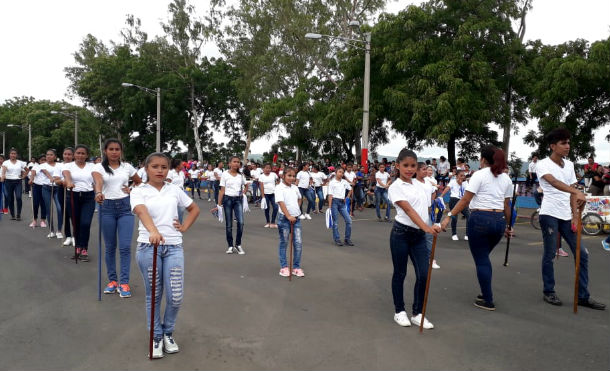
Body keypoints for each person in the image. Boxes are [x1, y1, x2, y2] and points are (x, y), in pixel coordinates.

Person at [131, 152, 200, 358]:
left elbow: (194, 209)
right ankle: (156, 336)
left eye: (164, 167)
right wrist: (153, 230)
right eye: (155, 167)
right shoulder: (139, 191)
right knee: (154, 294)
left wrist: (184, 226)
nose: (160, 170)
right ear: (146, 168)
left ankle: (168, 332)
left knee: (176, 296)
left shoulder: (174, 190)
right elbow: (141, 211)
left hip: (174, 247)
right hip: (148, 247)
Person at [534, 128, 605, 310]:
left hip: (567, 216)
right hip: (549, 213)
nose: (567, 146)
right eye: (563, 143)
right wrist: (576, 191)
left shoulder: (570, 165)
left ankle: (583, 296)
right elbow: (555, 183)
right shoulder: (543, 164)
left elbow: (573, 193)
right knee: (550, 254)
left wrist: (575, 215)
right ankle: (548, 291)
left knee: (583, 254)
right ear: (552, 146)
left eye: (568, 142)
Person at [440, 145, 513, 311]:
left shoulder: (479, 175)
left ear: (483, 160)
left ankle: (488, 299)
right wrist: (509, 226)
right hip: (499, 220)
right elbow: (507, 206)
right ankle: (485, 292)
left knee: (481, 260)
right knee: (484, 257)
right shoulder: (506, 179)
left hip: (480, 218)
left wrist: (448, 217)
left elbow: (465, 200)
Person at [388, 149, 440, 329]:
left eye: (413, 166)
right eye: (405, 166)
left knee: (424, 274)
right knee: (400, 273)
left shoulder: (421, 185)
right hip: (401, 234)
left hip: (418, 236)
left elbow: (425, 208)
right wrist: (426, 228)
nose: (409, 169)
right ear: (398, 166)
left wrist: (432, 224)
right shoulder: (395, 187)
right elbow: (409, 211)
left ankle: (418, 313)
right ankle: (399, 311)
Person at [93, 139, 142, 298]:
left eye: (117, 149)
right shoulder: (98, 167)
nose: (114, 152)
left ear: (121, 151)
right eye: (111, 149)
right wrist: (98, 193)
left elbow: (139, 181)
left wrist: (131, 189)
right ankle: (112, 281)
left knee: (125, 247)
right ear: (105, 151)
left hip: (125, 208)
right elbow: (98, 182)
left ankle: (124, 282)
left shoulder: (127, 167)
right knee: (110, 246)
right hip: (106, 207)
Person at [63, 145, 96, 262]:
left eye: (83, 153)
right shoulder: (68, 165)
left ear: (87, 155)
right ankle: (78, 247)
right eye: (78, 153)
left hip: (88, 197)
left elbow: (97, 178)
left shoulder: (92, 166)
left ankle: (84, 248)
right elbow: (66, 175)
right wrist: (69, 182)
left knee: (85, 223)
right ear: (74, 154)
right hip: (73, 195)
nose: (80, 155)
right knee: (76, 223)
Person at [212, 156, 247, 255]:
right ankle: (230, 246)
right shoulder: (225, 174)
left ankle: (238, 244)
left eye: (238, 162)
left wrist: (243, 193)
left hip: (238, 200)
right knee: (229, 224)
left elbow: (246, 185)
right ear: (230, 163)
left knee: (241, 222)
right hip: (227, 199)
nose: (236, 163)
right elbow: (222, 190)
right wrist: (219, 205)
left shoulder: (241, 176)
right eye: (234, 162)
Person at [274, 167, 304, 277]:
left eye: (293, 176)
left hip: (296, 219)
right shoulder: (279, 188)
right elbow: (280, 202)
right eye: (289, 175)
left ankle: (296, 267)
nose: (292, 178)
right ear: (283, 176)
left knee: (298, 243)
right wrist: (288, 215)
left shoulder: (295, 188)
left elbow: (300, 198)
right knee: (284, 242)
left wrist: (297, 208)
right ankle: (284, 267)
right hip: (284, 219)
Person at [415, 162, 440, 269]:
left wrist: (431, 206)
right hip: (415, 214)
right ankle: (416, 257)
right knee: (415, 236)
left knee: (429, 236)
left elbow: (433, 193)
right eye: (424, 169)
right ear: (417, 170)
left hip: (427, 213)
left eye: (427, 169)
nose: (426, 171)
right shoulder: (413, 182)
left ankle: (430, 258)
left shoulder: (429, 182)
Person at [440, 170, 470, 241]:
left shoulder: (465, 183)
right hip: (454, 200)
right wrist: (441, 196)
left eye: (464, 176)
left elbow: (468, 191)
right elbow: (447, 188)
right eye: (461, 175)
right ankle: (454, 234)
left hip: (462, 201)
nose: (462, 177)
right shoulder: (453, 181)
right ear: (457, 176)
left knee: (469, 216)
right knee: (454, 217)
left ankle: (467, 234)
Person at [40, 149, 63, 239]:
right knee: (49, 209)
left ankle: (59, 230)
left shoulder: (60, 165)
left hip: (57, 188)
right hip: (46, 188)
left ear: (55, 156)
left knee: (59, 209)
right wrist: (51, 178)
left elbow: (63, 174)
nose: (49, 156)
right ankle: (51, 230)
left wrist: (56, 180)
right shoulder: (42, 165)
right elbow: (45, 171)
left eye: (51, 155)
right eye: (47, 154)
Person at [54, 147, 75, 246]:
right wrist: (63, 181)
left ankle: (75, 236)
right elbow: (56, 180)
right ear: (62, 155)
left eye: (69, 154)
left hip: (74, 190)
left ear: (73, 155)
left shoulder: (76, 165)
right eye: (65, 154)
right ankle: (68, 236)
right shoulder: (59, 166)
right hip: (62, 190)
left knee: (74, 214)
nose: (67, 156)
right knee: (65, 214)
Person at [328, 167, 354, 246]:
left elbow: (350, 189)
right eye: (339, 172)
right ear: (336, 172)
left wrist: (347, 197)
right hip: (334, 202)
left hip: (342, 202)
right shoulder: (332, 182)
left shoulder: (344, 182)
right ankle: (337, 239)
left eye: (342, 173)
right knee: (335, 222)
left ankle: (347, 239)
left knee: (349, 221)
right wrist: (329, 207)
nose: (341, 174)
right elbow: (330, 195)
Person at [0, 149, 27, 220]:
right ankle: (12, 215)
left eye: (14, 154)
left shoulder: (20, 163)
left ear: (17, 155)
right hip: (8, 181)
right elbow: (4, 170)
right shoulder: (6, 162)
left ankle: (18, 214)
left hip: (18, 182)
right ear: (9, 154)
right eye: (12, 153)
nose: (13, 155)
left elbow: (27, 170)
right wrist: (3, 176)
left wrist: (23, 177)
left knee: (18, 197)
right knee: (10, 198)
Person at [29, 155, 48, 228]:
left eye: (44, 160)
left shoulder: (48, 167)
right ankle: (34, 220)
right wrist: (31, 180)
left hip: (45, 187)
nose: (43, 161)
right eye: (41, 160)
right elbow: (32, 174)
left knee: (44, 204)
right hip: (37, 186)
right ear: (39, 161)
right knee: (35, 203)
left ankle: (43, 220)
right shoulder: (36, 166)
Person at [259, 163, 279, 228]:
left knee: (276, 207)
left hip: (273, 194)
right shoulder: (261, 176)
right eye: (266, 168)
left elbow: (277, 180)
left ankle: (273, 222)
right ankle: (268, 222)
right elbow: (261, 186)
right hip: (265, 194)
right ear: (263, 169)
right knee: (267, 208)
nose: (268, 169)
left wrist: (277, 186)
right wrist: (263, 196)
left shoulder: (273, 174)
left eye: (269, 168)